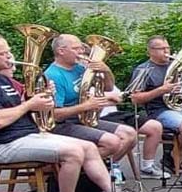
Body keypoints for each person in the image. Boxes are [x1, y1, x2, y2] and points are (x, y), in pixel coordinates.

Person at [0, 33, 109, 192]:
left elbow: (18, 107)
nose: (10, 57)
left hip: (26, 136)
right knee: (73, 152)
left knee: (88, 146)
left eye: (9, 51)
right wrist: (30, 105)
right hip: (3, 144)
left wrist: (42, 98)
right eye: (3, 53)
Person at [43, 34, 138, 173]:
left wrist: (106, 70)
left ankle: (101, 171)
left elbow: (108, 87)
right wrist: (86, 106)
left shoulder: (79, 68)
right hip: (63, 124)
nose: (81, 52)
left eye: (81, 48)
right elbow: (54, 115)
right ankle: (79, 171)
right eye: (76, 49)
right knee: (112, 142)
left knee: (130, 134)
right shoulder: (54, 75)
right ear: (61, 51)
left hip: (82, 119)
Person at [127, 36, 182, 177]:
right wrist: (162, 90)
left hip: (180, 107)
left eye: (167, 48)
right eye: (162, 48)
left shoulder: (175, 66)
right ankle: (173, 157)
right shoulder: (144, 70)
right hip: (159, 110)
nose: (166, 51)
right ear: (150, 51)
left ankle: (177, 154)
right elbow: (135, 99)